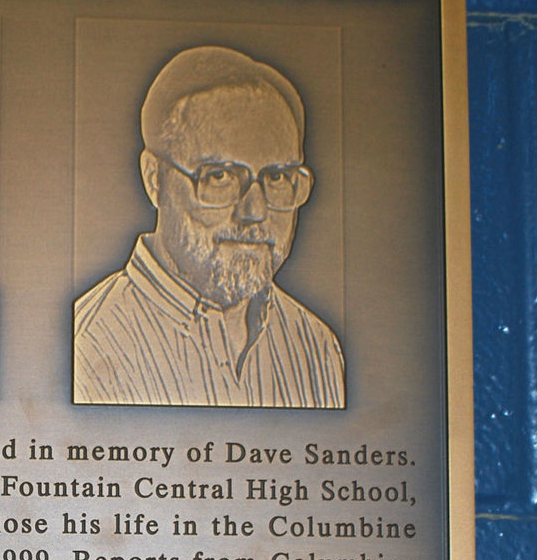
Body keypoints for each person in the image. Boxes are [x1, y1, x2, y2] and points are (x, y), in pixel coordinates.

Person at [74, 46, 345, 407]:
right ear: (155, 179)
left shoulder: (317, 348)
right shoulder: (87, 344)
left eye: (277, 176)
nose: (255, 211)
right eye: (219, 176)